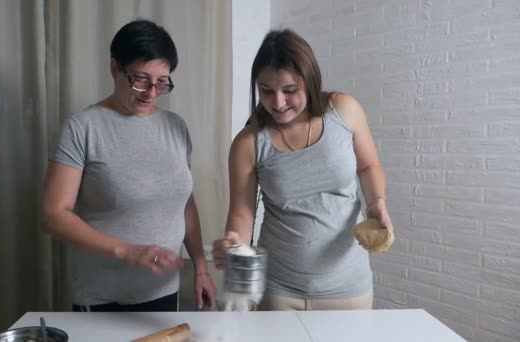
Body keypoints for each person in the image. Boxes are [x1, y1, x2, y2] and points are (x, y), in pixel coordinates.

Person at [41, 19, 216, 312]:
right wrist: (127, 252)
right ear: (114, 68)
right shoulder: (83, 128)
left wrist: (200, 267)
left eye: (162, 83)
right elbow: (53, 215)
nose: (150, 92)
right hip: (102, 299)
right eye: (140, 79)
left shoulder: (176, 127)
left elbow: (184, 203)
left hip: (164, 292)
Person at [213, 29, 393, 311]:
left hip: (348, 288)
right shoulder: (248, 142)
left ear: (309, 81)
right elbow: (242, 213)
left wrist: (376, 202)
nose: (278, 103)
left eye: (289, 90)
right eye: (266, 90)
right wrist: (235, 244)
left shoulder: (344, 110)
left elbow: (369, 166)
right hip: (278, 290)